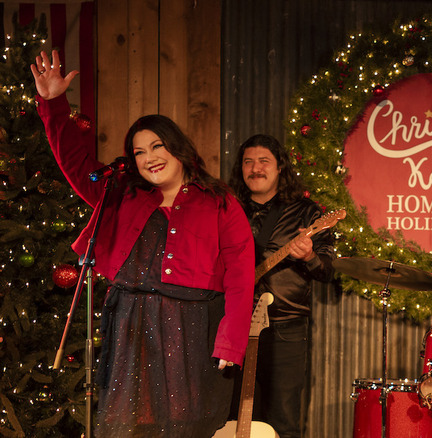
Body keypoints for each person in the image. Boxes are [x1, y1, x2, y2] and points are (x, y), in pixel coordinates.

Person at [32, 50, 255, 437]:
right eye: (138, 152)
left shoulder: (219, 201)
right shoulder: (121, 194)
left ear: (177, 147)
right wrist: (54, 104)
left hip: (192, 329)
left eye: (156, 146)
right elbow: (73, 161)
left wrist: (230, 344)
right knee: (133, 428)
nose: (148, 158)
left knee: (185, 426)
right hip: (132, 324)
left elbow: (240, 277)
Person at [227, 134, 335, 438]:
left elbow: (327, 272)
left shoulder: (307, 213)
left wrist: (310, 255)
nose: (255, 168)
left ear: (279, 168)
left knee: (283, 422)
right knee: (232, 419)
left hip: (285, 329)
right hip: (232, 327)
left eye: (264, 161)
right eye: (248, 162)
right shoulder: (228, 208)